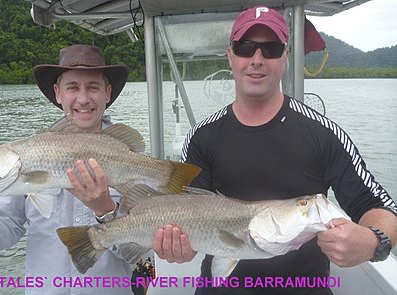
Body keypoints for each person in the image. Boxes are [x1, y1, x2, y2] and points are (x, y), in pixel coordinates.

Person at [152, 6, 397, 295]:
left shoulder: (323, 134)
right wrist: (178, 246)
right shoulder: (202, 137)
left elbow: (381, 207)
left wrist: (373, 242)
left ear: (285, 58)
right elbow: (188, 220)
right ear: (230, 56)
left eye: (270, 49)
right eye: (246, 47)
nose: (257, 59)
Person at [0, 45, 134, 294]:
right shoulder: (28, 155)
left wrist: (106, 211)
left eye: (93, 87)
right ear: (58, 93)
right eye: (73, 87)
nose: (83, 98)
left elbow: (141, 248)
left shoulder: (130, 158)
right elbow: (2, 228)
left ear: (107, 93)